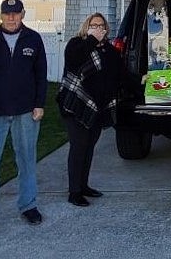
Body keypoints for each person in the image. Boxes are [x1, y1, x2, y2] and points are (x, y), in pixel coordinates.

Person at [0, 0, 47, 237]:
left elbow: (41, 74)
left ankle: (28, 205)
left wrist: (39, 104)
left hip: (26, 112)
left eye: (15, 13)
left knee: (27, 161)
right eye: (7, 14)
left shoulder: (34, 39)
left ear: (22, 14)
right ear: (0, 15)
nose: (11, 18)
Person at [57, 13, 121, 207]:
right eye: (93, 25)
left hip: (97, 108)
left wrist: (142, 83)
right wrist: (93, 39)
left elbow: (120, 74)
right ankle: (74, 192)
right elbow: (75, 59)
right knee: (78, 147)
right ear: (87, 27)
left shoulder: (108, 50)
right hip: (76, 105)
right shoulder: (76, 44)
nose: (98, 29)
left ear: (106, 29)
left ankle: (83, 186)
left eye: (101, 26)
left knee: (89, 147)